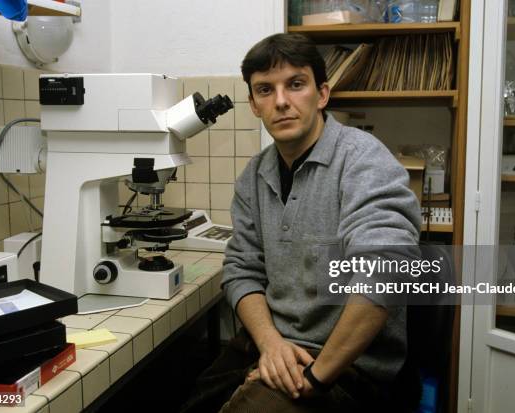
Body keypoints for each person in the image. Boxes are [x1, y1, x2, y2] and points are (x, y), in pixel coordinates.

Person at [180, 33, 421, 413]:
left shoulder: (363, 162)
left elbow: (385, 271)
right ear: (254, 105)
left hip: (346, 365)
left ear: (322, 94)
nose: (280, 101)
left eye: (295, 84)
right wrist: (271, 345)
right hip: (273, 345)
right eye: (265, 90)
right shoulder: (254, 176)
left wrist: (314, 378)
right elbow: (242, 270)